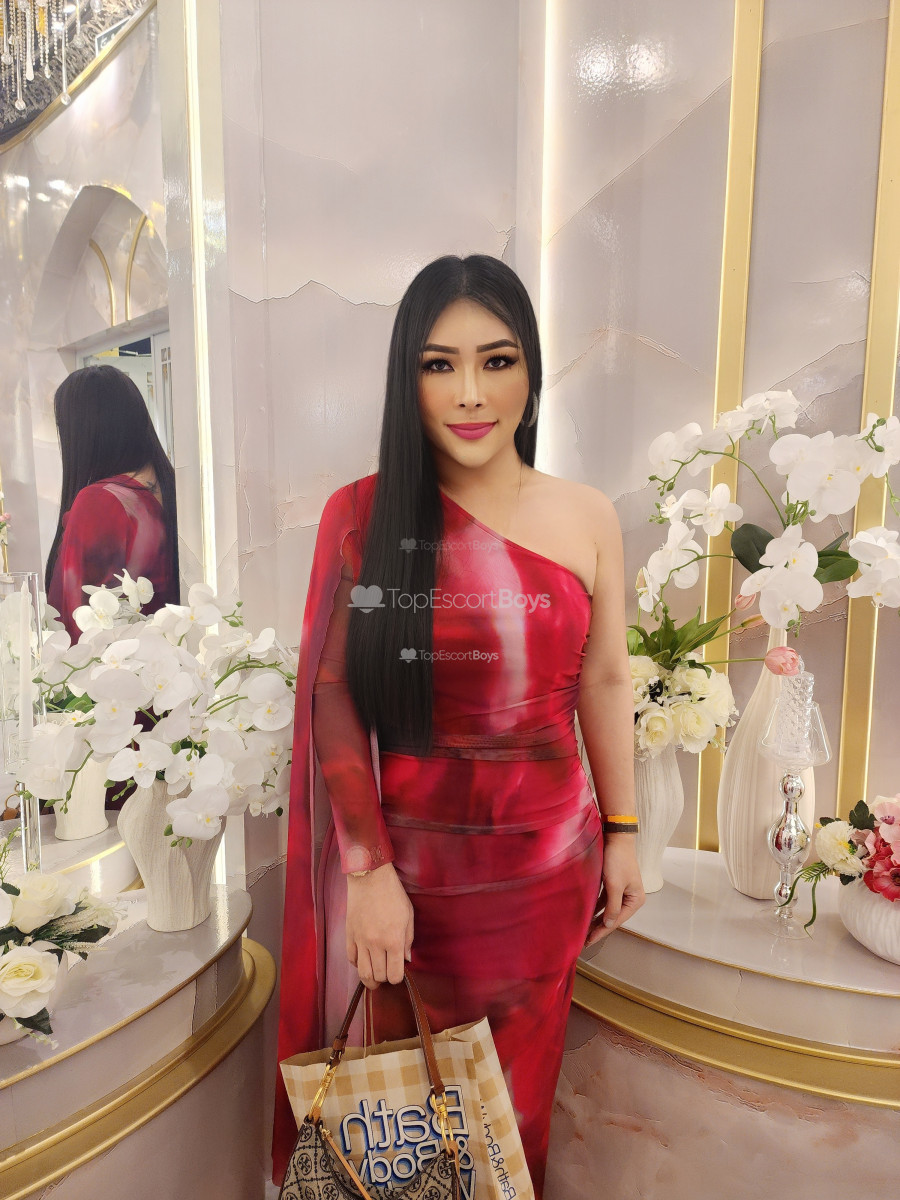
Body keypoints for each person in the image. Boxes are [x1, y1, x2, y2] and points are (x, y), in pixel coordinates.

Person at [273, 254, 644, 1197]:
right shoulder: (364, 515)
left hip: (547, 877)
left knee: (510, 1131)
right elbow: (334, 695)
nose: (471, 393)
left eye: (497, 360)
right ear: (409, 381)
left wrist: (626, 831)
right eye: (439, 365)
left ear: (531, 373)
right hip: (410, 883)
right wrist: (368, 874)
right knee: (407, 1139)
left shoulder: (588, 516)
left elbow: (605, 679)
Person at [45, 364, 179, 641]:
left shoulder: (101, 501)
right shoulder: (172, 488)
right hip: (172, 658)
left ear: (81, 431)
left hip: (114, 664)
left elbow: (80, 628)